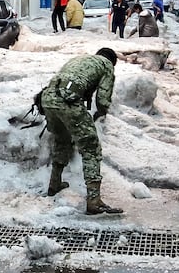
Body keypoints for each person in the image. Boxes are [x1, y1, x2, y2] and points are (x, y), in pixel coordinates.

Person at [38, 47, 124, 215]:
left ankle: (54, 184)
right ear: (112, 61)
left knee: (62, 140)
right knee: (90, 147)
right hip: (67, 100)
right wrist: (102, 112)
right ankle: (94, 201)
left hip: (47, 98)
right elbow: (103, 98)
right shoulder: (106, 65)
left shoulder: (81, 59)